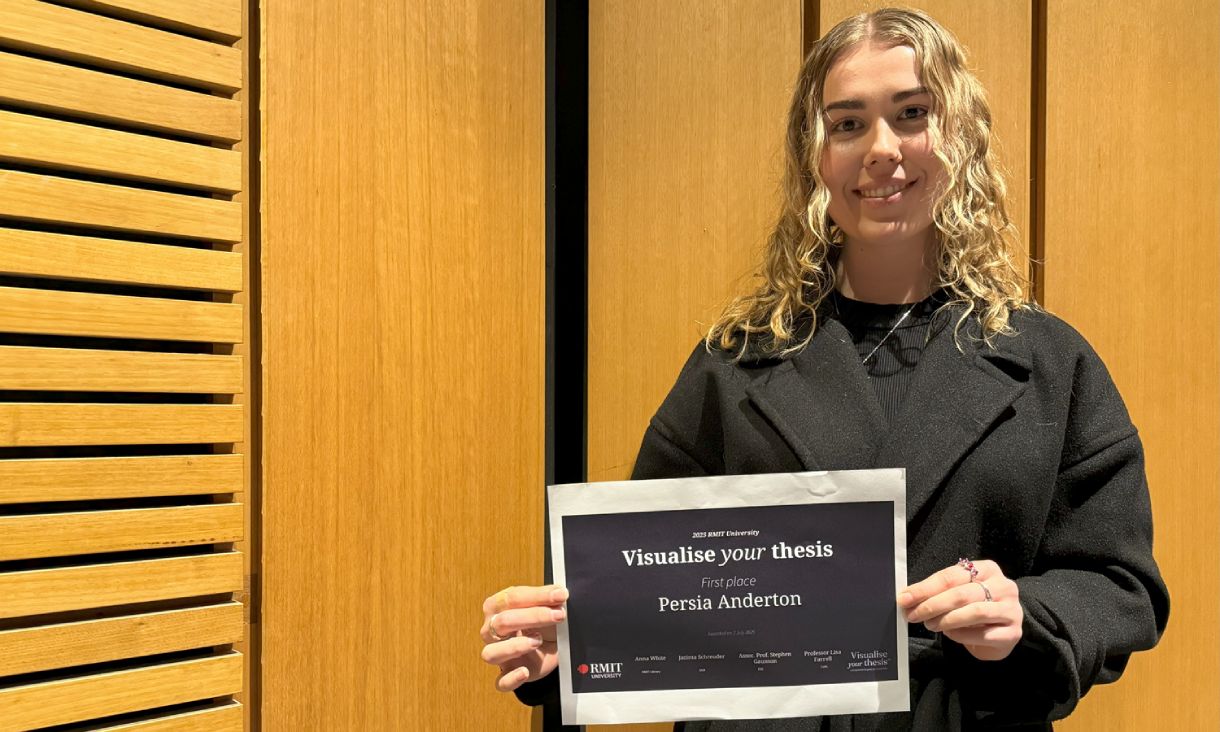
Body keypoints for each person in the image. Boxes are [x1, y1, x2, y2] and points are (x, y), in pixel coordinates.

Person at [479, 8, 1169, 730]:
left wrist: (1023, 614)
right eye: (847, 124)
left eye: (912, 114)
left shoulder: (1050, 363)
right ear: (813, 156)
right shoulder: (734, 365)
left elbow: (1122, 586)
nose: (881, 149)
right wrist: (569, 640)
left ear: (960, 134)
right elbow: (656, 588)